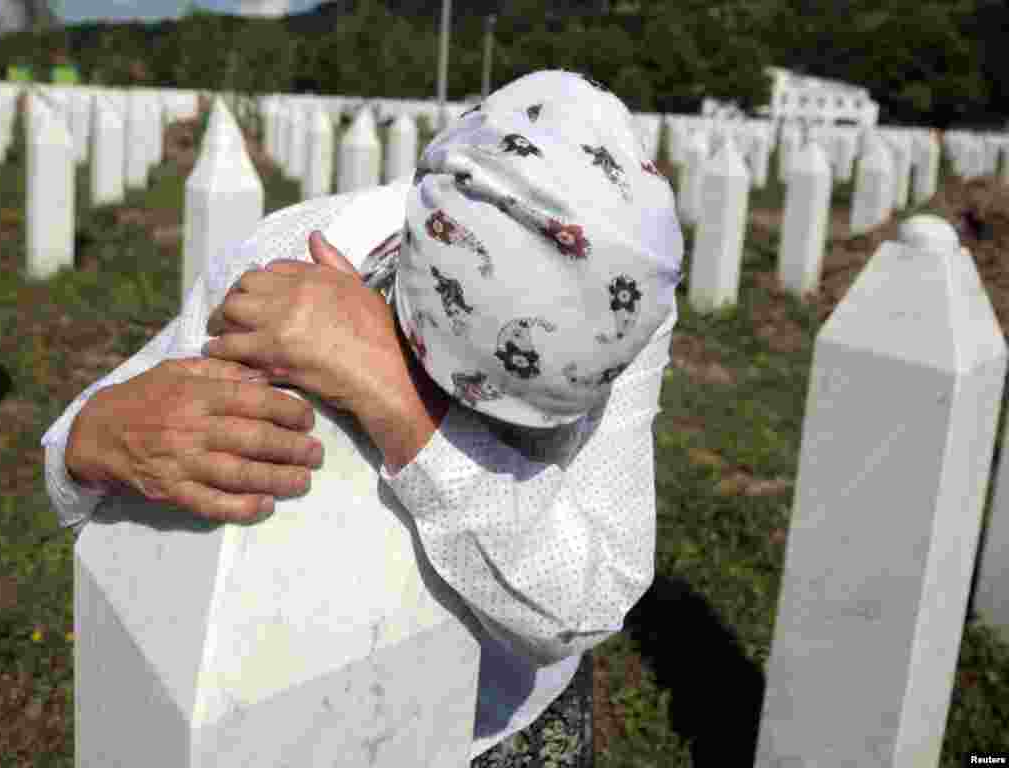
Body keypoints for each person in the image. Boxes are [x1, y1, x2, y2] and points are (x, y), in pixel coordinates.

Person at [41, 69, 684, 764]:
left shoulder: (619, 303)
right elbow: (110, 444)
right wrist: (86, 441)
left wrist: (405, 407)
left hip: (506, 714)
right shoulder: (283, 256)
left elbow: (588, 597)